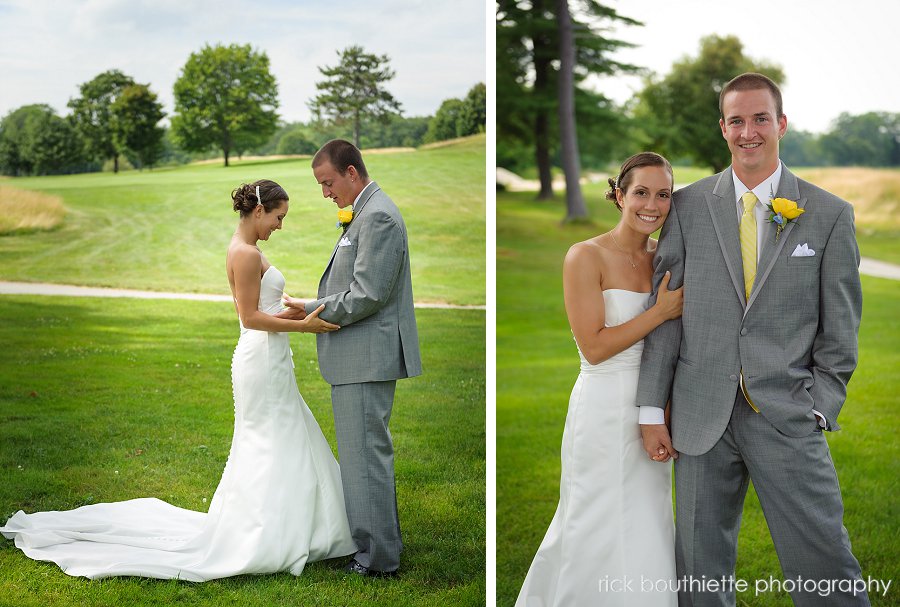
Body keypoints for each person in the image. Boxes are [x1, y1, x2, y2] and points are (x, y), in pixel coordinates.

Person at [0, 179, 357, 580]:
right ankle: (265, 532)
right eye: (278, 217)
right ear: (258, 210)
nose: (280, 225)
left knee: (284, 434)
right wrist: (306, 329)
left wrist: (307, 311)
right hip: (260, 358)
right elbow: (250, 319)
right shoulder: (242, 253)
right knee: (267, 439)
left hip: (271, 358)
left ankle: (295, 526)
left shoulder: (251, 251)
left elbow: (268, 309)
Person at [636, 73, 869, 606]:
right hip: (699, 417)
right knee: (699, 569)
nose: (749, 132)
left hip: (787, 415)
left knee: (823, 560)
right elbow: (666, 313)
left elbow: (841, 327)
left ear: (780, 123)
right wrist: (652, 409)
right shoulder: (688, 207)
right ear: (723, 128)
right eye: (737, 120)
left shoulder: (829, 214)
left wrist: (821, 404)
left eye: (760, 118)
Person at [515, 152, 683, 606]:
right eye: (641, 193)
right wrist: (660, 311)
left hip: (653, 408)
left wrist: (663, 407)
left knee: (647, 519)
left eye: (663, 194)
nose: (653, 204)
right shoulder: (585, 255)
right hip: (604, 406)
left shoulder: (665, 257)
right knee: (594, 516)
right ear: (618, 195)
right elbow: (595, 345)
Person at [280, 140, 422, 577]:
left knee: (364, 458)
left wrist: (311, 308)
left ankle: (377, 559)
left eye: (327, 182)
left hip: (366, 357)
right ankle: (381, 546)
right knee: (366, 456)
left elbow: (368, 294)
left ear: (351, 173)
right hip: (361, 358)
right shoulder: (366, 211)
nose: (325, 192)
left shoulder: (377, 216)